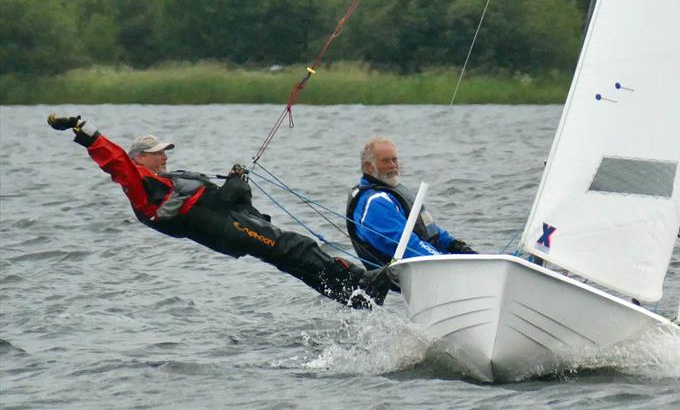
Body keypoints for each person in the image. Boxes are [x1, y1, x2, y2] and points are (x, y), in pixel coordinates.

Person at [47, 114, 391, 309]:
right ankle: (363, 284)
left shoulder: (170, 180)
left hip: (235, 224)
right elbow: (116, 162)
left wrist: (237, 183)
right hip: (229, 230)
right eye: (156, 153)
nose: (164, 156)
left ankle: (356, 296)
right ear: (140, 159)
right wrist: (86, 131)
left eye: (164, 151)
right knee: (296, 249)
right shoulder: (140, 186)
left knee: (295, 256)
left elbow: (234, 202)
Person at [346, 136, 476, 269]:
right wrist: (441, 262)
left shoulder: (393, 193)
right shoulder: (374, 204)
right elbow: (407, 245)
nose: (393, 165)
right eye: (386, 161)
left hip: (428, 265)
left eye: (394, 159)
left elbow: (430, 230)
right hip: (406, 276)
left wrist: (458, 247)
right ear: (368, 167)